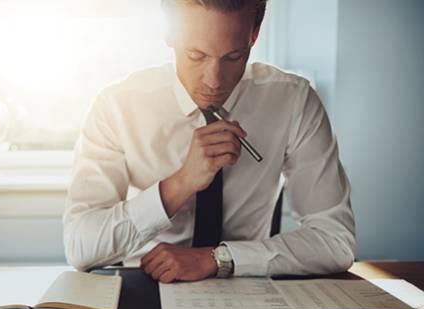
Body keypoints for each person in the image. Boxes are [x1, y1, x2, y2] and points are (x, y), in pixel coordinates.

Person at [63, 0, 356, 283]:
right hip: (144, 289)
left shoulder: (294, 101)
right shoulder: (117, 106)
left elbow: (335, 241)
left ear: (254, 35)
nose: (214, 81)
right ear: (170, 30)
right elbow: (80, 247)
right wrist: (180, 184)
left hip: (247, 289)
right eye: (196, 55)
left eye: (233, 57)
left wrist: (218, 259)